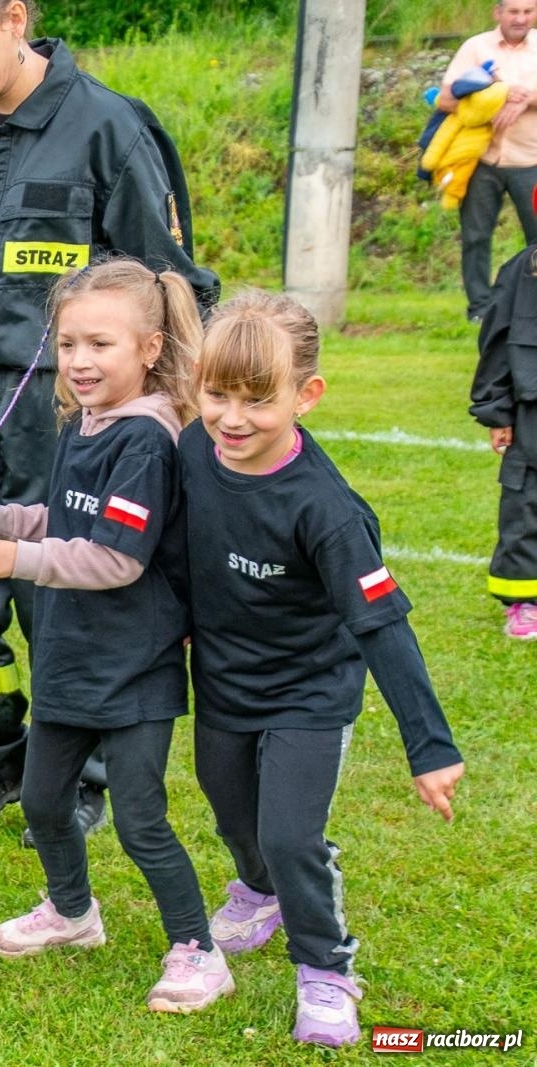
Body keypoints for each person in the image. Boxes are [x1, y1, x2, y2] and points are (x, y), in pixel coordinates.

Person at [0, 0, 219, 837]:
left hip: (72, 405)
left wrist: (158, 407)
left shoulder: (109, 128)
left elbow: (167, 280)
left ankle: (79, 768)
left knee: (64, 598)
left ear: (16, 19)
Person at [0, 260, 231, 1013]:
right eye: (68, 344)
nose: (81, 360)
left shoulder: (146, 441)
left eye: (101, 343)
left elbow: (116, 557)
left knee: (140, 815)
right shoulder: (86, 422)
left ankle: (197, 949)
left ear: (151, 348)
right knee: (41, 799)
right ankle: (71, 911)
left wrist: (13, 558)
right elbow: (67, 523)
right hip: (72, 655)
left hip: (134, 665)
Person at [181, 291, 466, 1048]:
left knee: (290, 832)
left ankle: (328, 968)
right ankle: (260, 891)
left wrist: (430, 746)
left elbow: (382, 626)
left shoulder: (328, 511)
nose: (232, 419)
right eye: (217, 394)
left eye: (256, 400)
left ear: (306, 396)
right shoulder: (188, 449)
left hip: (308, 692)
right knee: (233, 814)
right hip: (223, 683)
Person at [438, 0, 537, 322]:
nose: (520, 18)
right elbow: (446, 99)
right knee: (476, 237)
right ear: (498, 13)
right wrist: (497, 95)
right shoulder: (475, 48)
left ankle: (530, 308)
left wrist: (525, 98)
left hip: (531, 161)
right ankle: (480, 310)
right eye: (513, 11)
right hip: (482, 161)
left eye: (528, 11)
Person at [471, 240, 537, 636]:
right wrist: (497, 409)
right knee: (526, 503)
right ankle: (524, 602)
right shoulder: (522, 272)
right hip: (532, 412)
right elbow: (496, 340)